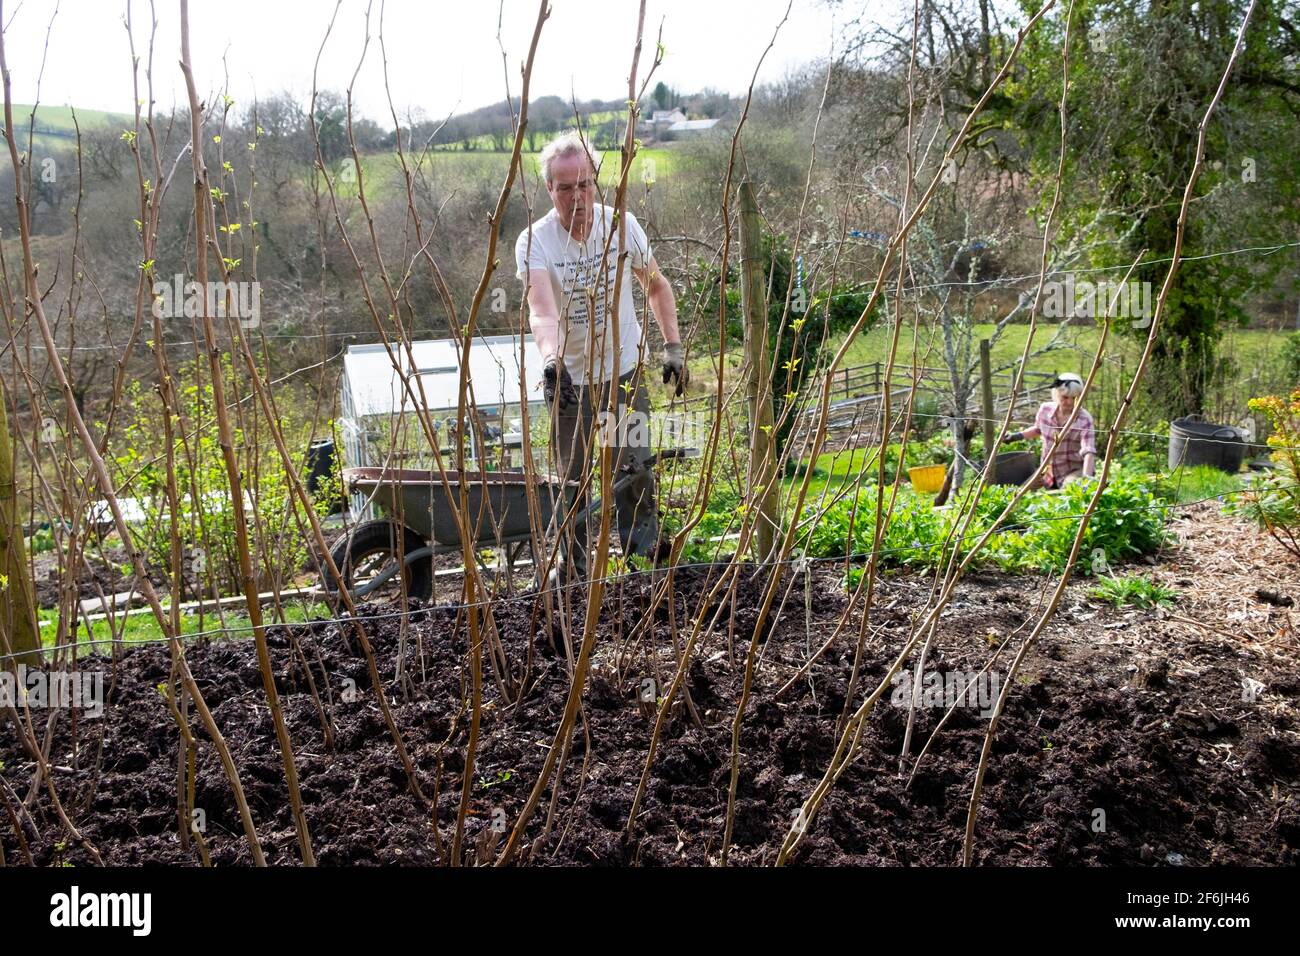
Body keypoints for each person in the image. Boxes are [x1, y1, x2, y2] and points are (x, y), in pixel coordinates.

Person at [515, 130, 686, 582]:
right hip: (569, 385)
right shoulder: (534, 242)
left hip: (624, 378)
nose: (577, 197)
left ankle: (642, 568)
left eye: (584, 184)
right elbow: (541, 310)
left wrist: (673, 347)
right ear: (549, 189)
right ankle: (570, 576)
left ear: (597, 182)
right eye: (565, 187)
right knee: (569, 485)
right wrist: (552, 363)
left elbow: (656, 285)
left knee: (635, 475)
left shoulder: (622, 226)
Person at [1007, 372, 1097, 489]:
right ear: (1056, 394)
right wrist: (1016, 436)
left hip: (1073, 470)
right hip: (1048, 471)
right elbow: (1038, 430)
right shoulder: (1045, 410)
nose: (1069, 402)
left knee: (1070, 489)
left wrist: (1086, 478)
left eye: (1074, 398)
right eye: (1065, 397)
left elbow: (1088, 451)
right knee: (1022, 492)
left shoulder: (1084, 419)